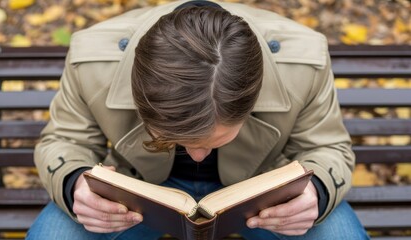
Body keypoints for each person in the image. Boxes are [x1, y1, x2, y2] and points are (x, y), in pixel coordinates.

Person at [26, 0, 369, 239]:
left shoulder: (303, 61)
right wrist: (75, 186)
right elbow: (65, 141)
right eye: (174, 140)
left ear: (252, 101)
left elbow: (328, 147)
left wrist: (317, 193)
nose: (197, 156)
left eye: (216, 141)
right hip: (137, 190)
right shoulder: (93, 59)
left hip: (264, 190)